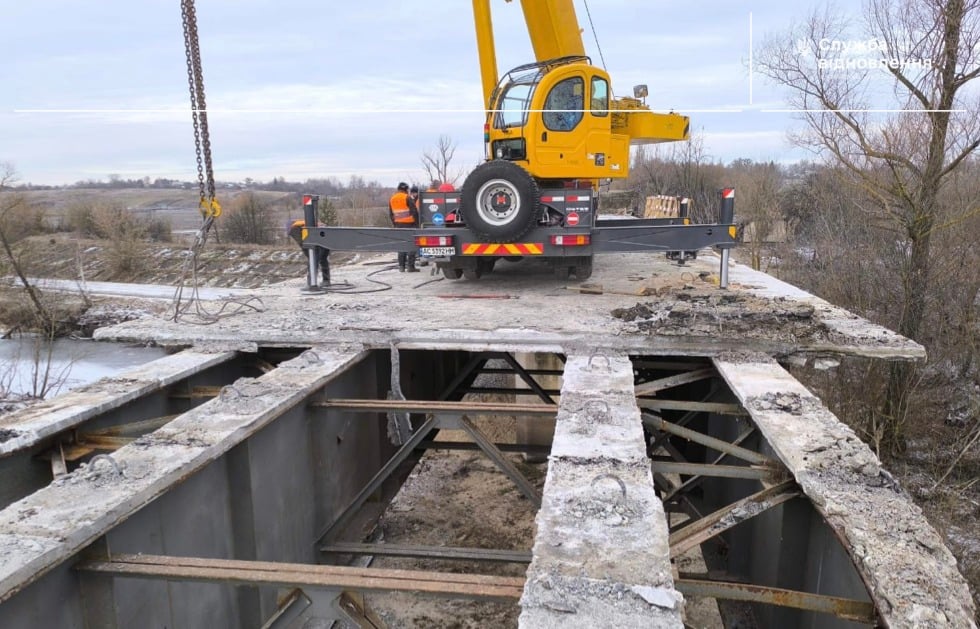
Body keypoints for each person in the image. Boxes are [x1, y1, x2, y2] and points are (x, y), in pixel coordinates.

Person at [288, 219, 331, 285]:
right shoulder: (302, 225)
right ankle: (325, 280)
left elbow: (303, 243)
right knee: (321, 260)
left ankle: (312, 282)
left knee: (314, 261)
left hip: (320, 239)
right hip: (324, 237)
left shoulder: (295, 228)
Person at [388, 182, 419, 272]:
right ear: (406, 189)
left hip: (398, 225)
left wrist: (395, 224)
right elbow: (414, 212)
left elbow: (391, 214)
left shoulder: (392, 198)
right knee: (411, 245)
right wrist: (417, 224)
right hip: (410, 225)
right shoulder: (407, 197)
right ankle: (410, 267)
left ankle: (401, 266)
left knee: (401, 245)